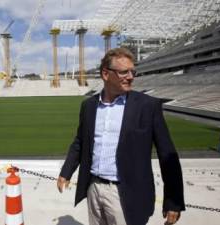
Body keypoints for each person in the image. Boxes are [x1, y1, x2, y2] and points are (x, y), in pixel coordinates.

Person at [57, 48, 185, 225]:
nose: (131, 76)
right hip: (93, 188)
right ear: (106, 74)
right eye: (124, 72)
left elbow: (167, 154)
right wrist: (66, 172)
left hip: (127, 193)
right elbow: (80, 142)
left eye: (133, 71)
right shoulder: (89, 106)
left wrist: (174, 200)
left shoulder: (148, 106)